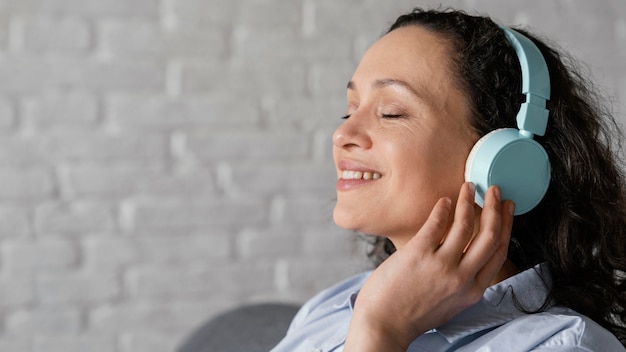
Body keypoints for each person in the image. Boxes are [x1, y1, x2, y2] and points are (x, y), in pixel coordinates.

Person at [271, 7, 626, 352]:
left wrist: (382, 332)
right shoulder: (335, 304)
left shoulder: (564, 346)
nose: (342, 133)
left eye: (391, 113)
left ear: (505, 159)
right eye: (349, 110)